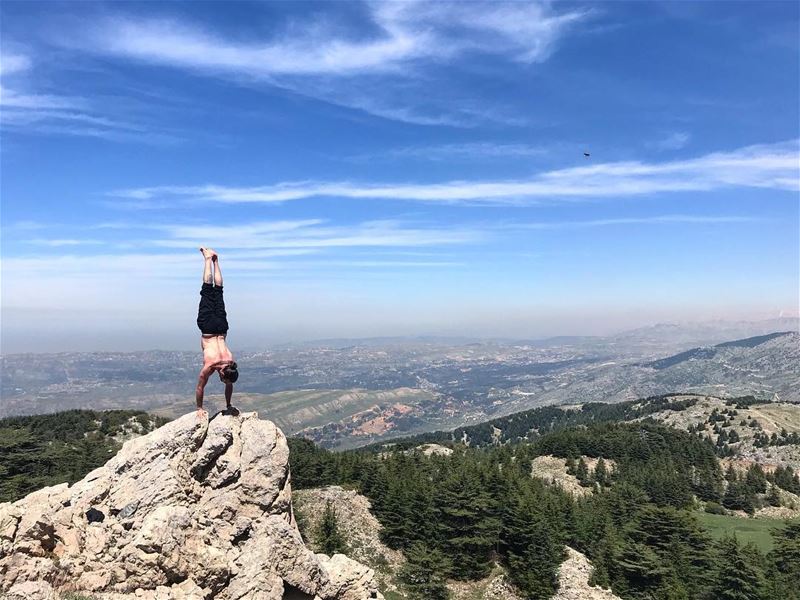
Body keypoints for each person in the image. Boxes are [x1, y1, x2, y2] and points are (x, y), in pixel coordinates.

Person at [195, 247, 239, 417]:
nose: (223, 381)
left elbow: (229, 384)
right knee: (207, 290)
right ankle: (207, 259)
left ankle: (215, 260)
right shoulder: (210, 365)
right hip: (208, 328)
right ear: (222, 373)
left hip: (222, 328)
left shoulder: (231, 362)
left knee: (218, 291)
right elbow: (200, 387)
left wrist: (228, 404)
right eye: (223, 379)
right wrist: (199, 408)